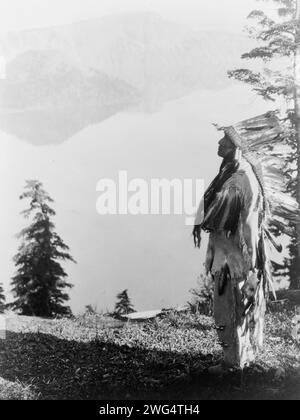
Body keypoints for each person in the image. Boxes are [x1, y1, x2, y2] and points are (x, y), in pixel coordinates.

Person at [193, 112, 299, 369]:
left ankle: (234, 364)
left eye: (225, 143)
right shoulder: (237, 175)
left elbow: (249, 222)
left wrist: (248, 259)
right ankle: (242, 358)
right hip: (234, 254)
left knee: (232, 307)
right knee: (240, 303)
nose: (220, 145)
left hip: (235, 257)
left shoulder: (239, 180)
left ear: (237, 149)